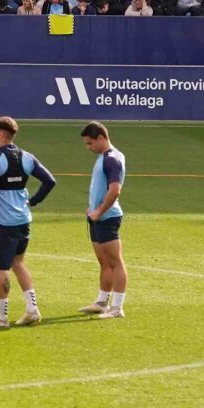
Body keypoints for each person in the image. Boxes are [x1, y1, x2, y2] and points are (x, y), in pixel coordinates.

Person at [0, 115, 57, 329]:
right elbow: (49, 181)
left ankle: (1, 316)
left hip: (2, 222)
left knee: (1, 270)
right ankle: (32, 309)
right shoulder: (27, 157)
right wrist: (33, 201)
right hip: (23, 220)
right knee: (18, 263)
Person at [80, 121, 129, 318]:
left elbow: (115, 190)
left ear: (101, 138)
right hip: (96, 216)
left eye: (90, 143)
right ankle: (102, 302)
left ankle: (117, 307)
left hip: (107, 217)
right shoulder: (104, 157)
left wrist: (99, 211)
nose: (88, 148)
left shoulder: (112, 159)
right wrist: (93, 209)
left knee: (115, 261)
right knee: (104, 261)